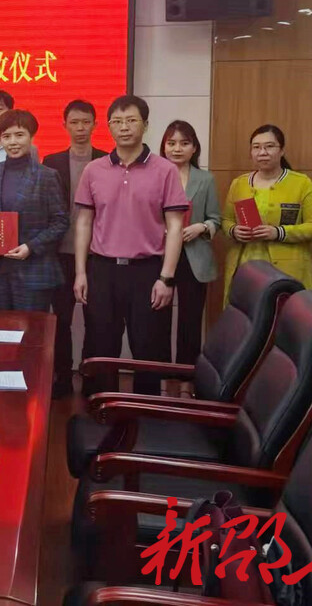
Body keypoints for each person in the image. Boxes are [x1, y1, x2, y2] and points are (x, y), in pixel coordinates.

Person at [73, 95, 188, 396]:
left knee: (148, 348)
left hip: (147, 271)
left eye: (131, 120)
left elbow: (176, 227)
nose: (124, 127)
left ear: (145, 125)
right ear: (108, 126)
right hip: (102, 270)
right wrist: (81, 273)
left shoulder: (165, 170)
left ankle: (145, 412)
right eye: (117, 121)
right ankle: (101, 409)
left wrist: (166, 278)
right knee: (100, 345)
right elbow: (84, 223)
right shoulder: (93, 170)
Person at [43, 99, 107, 397]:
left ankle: (91, 377)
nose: (80, 128)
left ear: (95, 124)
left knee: (97, 320)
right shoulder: (52, 161)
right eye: (74, 122)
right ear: (65, 125)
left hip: (98, 254)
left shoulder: (107, 160)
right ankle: (63, 378)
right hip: (59, 253)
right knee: (62, 319)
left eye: (86, 122)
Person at [0, 109, 68, 313]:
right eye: (6, 136)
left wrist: (31, 246)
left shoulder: (47, 176)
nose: (13, 142)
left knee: (30, 331)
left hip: (33, 270)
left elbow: (60, 221)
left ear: (31, 136)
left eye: (19, 135)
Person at [222, 124, 312, 301]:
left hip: (287, 269)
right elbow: (226, 220)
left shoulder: (301, 183)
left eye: (269, 146)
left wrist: (278, 232)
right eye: (256, 147)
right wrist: (234, 230)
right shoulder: (239, 184)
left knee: (284, 312)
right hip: (246, 266)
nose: (262, 152)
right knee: (247, 313)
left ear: (282, 150)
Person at [160, 120, 221, 365]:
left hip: (194, 257)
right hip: (160, 255)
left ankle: (186, 373)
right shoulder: (154, 176)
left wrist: (201, 227)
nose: (177, 149)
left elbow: (216, 218)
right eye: (171, 143)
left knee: (191, 319)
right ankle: (160, 371)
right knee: (158, 318)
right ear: (163, 146)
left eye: (184, 143)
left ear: (194, 148)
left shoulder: (205, 179)